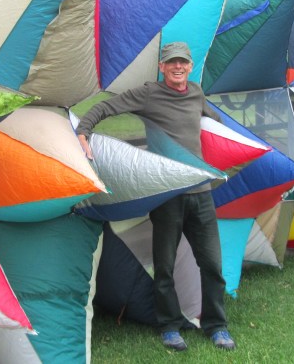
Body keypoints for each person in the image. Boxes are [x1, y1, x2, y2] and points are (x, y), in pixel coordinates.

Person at [76, 42, 236, 352]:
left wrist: (230, 142)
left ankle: (217, 326)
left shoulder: (196, 94)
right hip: (167, 196)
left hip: (201, 195)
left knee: (213, 266)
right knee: (165, 268)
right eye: (171, 62)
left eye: (183, 62)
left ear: (190, 67)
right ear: (162, 67)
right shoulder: (149, 93)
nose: (178, 67)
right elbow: (105, 107)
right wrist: (83, 131)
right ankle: (169, 326)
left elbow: (216, 126)